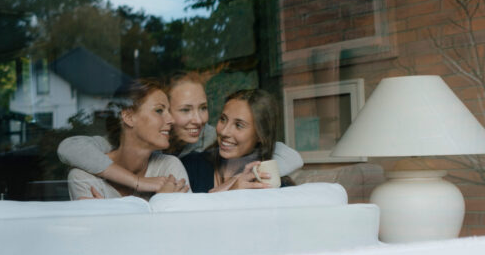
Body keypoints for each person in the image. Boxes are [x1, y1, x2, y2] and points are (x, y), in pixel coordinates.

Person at [58, 72, 303, 194]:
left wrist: (248, 180)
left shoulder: (204, 140)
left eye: (204, 108)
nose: (198, 119)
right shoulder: (114, 143)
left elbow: (287, 154)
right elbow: (69, 149)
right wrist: (140, 183)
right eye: (185, 110)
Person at [67, 79, 191, 200]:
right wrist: (163, 201)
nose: (171, 120)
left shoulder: (169, 167)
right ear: (129, 117)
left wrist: (108, 214)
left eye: (168, 111)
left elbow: (186, 220)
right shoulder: (84, 178)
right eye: (159, 110)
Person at [180, 89, 290, 193]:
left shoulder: (273, 186)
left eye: (239, 125)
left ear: (260, 136)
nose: (224, 132)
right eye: (223, 119)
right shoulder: (191, 166)